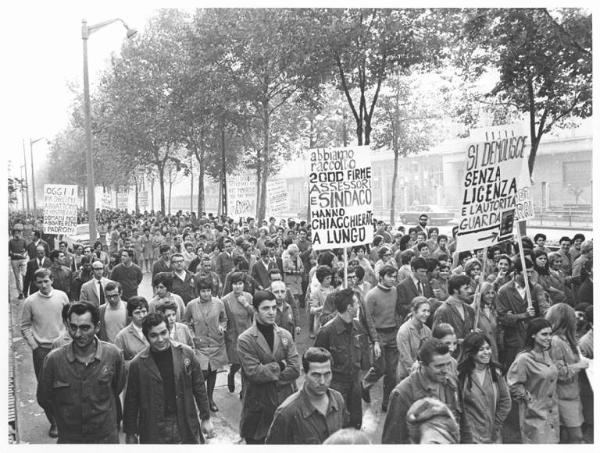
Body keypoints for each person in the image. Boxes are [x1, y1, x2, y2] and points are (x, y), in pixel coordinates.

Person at [37, 302, 125, 443]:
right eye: (73, 327)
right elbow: (44, 397)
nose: (78, 334)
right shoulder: (53, 360)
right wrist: (64, 419)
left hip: (105, 437)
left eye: (85, 328)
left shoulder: (113, 355)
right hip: (70, 438)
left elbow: (116, 388)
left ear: (97, 327)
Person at [123, 312, 215, 443]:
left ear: (169, 330)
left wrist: (206, 418)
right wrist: (131, 433)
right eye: (153, 335)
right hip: (153, 428)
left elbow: (199, 387)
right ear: (146, 336)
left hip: (184, 422)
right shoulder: (137, 364)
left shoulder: (186, 353)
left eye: (163, 333)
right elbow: (131, 401)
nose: (160, 339)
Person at [237, 290, 301, 444]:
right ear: (256, 310)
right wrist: (281, 364)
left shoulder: (285, 335)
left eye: (273, 307)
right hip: (259, 409)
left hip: (285, 404)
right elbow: (254, 373)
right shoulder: (245, 339)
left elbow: (295, 368)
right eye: (266, 308)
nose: (272, 312)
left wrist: (269, 373)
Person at [382, 338, 462, 444]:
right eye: (439, 366)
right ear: (422, 365)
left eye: (448, 364)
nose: (445, 370)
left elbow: (463, 425)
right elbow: (392, 441)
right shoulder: (402, 393)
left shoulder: (451, 382)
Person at [21, 268, 69, 438]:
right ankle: (54, 421)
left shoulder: (62, 296)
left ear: (52, 280)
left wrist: (68, 339)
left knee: (66, 384)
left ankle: (67, 418)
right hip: (42, 351)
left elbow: (68, 320)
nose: (43, 285)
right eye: (39, 282)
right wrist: (35, 346)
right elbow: (25, 326)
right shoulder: (30, 301)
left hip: (63, 347)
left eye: (46, 281)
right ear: (35, 283)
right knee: (46, 389)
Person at [265, 347, 349, 444]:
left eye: (327, 374)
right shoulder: (287, 412)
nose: (322, 381)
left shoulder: (338, 399)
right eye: (316, 375)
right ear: (304, 373)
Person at [315, 289, 367, 429]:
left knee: (355, 423)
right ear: (350, 308)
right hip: (336, 385)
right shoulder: (327, 332)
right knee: (337, 425)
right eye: (357, 303)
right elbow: (316, 362)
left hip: (355, 384)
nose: (359, 306)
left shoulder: (358, 327)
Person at [507, 318, 560, 444]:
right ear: (533, 335)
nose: (549, 338)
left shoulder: (547, 354)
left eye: (550, 334)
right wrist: (531, 401)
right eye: (544, 334)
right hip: (535, 416)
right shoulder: (523, 359)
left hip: (552, 413)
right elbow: (513, 384)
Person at [545, 303, 589, 443]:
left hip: (571, 394)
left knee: (566, 435)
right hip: (563, 397)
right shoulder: (556, 342)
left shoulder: (564, 339)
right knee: (576, 436)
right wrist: (579, 365)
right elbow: (559, 373)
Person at [183, 276, 228, 412]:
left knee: (213, 371)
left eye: (208, 290)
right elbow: (185, 322)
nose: (206, 294)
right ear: (198, 291)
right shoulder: (191, 305)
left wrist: (222, 326)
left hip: (215, 343)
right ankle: (200, 400)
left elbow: (224, 318)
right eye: (203, 291)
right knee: (202, 373)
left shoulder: (219, 303)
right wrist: (192, 335)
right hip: (200, 345)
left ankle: (210, 399)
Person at [457, 332, 511, 443]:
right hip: (470, 436)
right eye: (481, 349)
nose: (487, 352)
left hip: (492, 435)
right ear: (471, 352)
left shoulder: (496, 373)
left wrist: (496, 424)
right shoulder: (461, 375)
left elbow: (505, 401)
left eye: (488, 348)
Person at [497, 256, 549, 370]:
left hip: (533, 338)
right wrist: (523, 315)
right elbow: (502, 318)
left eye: (531, 272)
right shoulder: (504, 291)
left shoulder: (536, 288)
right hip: (513, 339)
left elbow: (543, 308)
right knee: (514, 369)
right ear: (516, 272)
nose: (530, 275)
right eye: (526, 272)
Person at [361, 265, 395, 411]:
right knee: (380, 368)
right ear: (381, 277)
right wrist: (374, 340)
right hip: (378, 335)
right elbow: (366, 319)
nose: (393, 279)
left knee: (392, 373)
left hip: (393, 334)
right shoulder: (372, 295)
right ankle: (365, 385)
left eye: (395, 276)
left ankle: (387, 403)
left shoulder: (395, 291)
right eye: (390, 276)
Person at [221, 272, 254, 394]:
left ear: (244, 285)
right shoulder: (225, 300)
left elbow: (255, 314)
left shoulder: (249, 297)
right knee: (236, 363)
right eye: (235, 284)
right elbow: (223, 318)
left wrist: (245, 304)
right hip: (233, 336)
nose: (237, 286)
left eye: (240, 284)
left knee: (247, 364)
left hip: (248, 334)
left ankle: (244, 391)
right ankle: (232, 374)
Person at [432, 274, 475, 356]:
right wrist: (456, 341)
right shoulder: (443, 311)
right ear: (455, 290)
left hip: (467, 358)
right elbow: (436, 340)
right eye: (466, 288)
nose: (470, 291)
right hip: (450, 358)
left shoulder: (469, 310)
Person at [396, 296, 432, 382]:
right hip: (407, 377)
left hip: (424, 375)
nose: (427, 314)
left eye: (428, 311)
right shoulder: (404, 331)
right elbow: (406, 359)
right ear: (413, 311)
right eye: (423, 311)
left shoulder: (427, 330)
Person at [114, 297, 150, 365]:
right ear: (131, 315)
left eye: (144, 312)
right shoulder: (121, 337)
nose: (142, 316)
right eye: (137, 313)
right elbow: (117, 363)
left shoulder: (154, 330)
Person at [396, 257, 434, 321]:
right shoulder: (402, 286)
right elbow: (401, 308)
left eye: (425, 272)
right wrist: (418, 307)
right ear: (413, 269)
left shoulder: (426, 281)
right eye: (422, 271)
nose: (424, 274)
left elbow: (431, 296)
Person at [474, 281, 500, 362]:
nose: (491, 296)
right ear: (481, 295)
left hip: (493, 348)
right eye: (487, 293)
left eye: (492, 293)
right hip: (479, 351)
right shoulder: (474, 311)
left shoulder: (493, 310)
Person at [9, 223, 28, 299]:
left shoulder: (23, 241)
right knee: (17, 277)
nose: (17, 234)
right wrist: (14, 254)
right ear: (13, 233)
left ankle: (25, 291)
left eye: (18, 232)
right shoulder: (10, 242)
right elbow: (8, 252)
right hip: (14, 261)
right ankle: (20, 293)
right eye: (15, 232)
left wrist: (24, 255)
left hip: (23, 260)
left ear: (20, 233)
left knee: (24, 275)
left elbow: (26, 250)